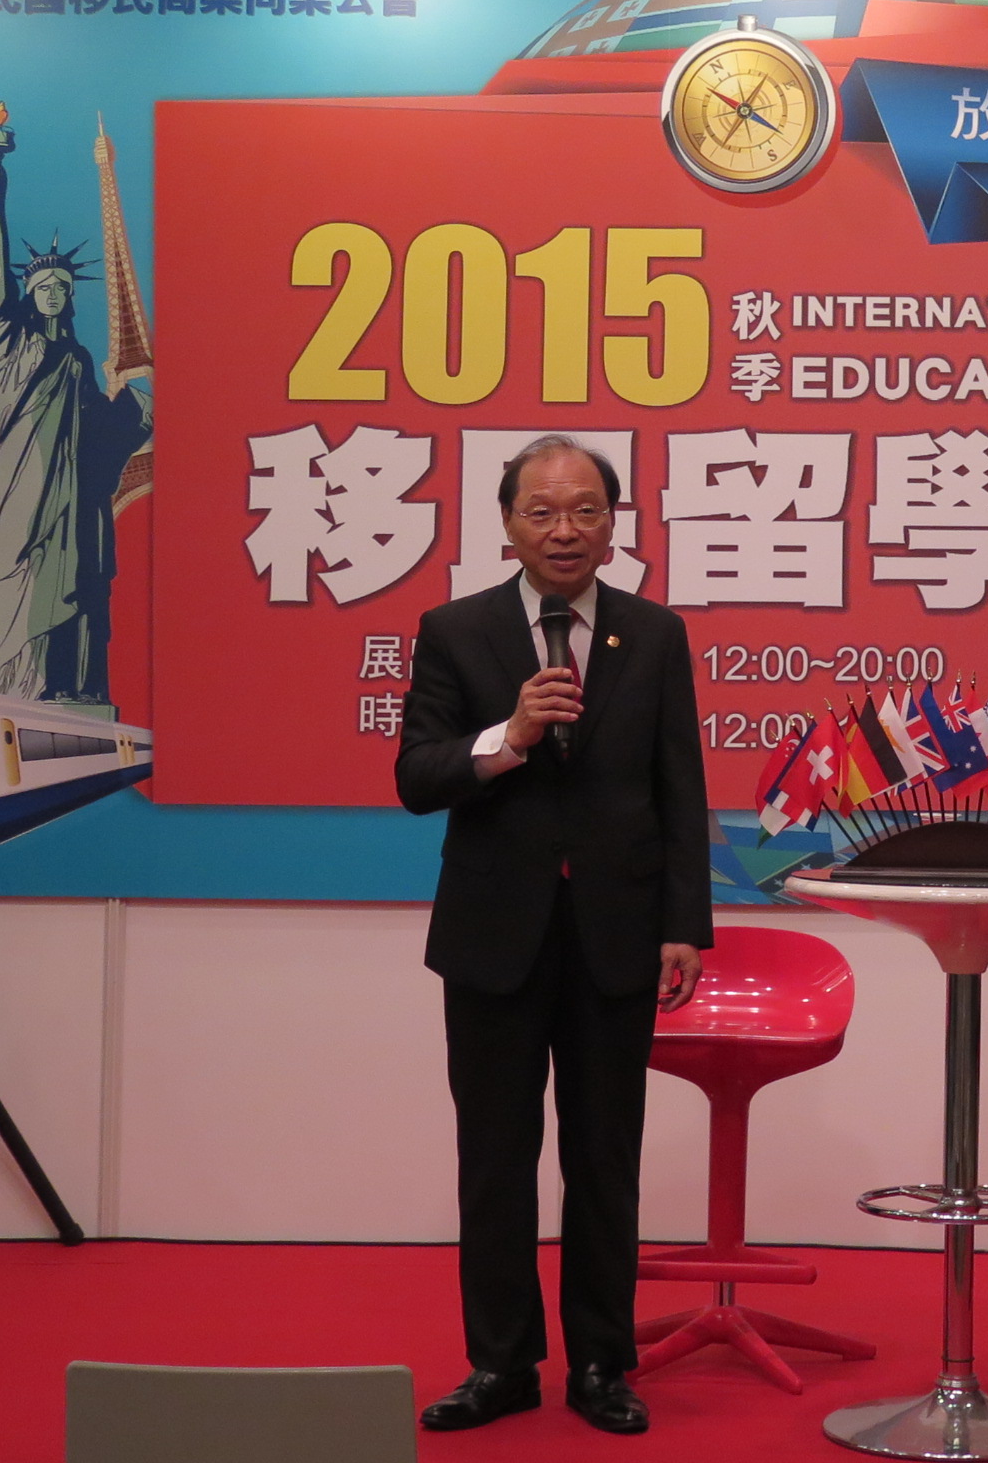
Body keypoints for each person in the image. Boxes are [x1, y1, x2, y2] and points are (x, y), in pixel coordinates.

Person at [397, 435, 714, 1437]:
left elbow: (680, 788)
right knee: (495, 1159)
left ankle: (601, 1363)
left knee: (603, 1159)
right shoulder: (455, 631)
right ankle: (500, 1365)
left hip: (617, 934)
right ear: (507, 524)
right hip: (494, 936)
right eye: (541, 511)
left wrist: (684, 925)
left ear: (613, 524)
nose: (564, 530)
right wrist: (510, 736)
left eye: (584, 510)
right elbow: (416, 777)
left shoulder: (653, 634)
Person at [0, 121, 152, 706]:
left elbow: (99, 428)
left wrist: (137, 402)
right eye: (44, 285)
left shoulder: (76, 358)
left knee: (80, 578)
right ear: (29, 292)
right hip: (26, 489)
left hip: (74, 496)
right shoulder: (9, 343)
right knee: (19, 575)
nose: (53, 292)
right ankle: (17, 680)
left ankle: (70, 682)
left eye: (62, 287)